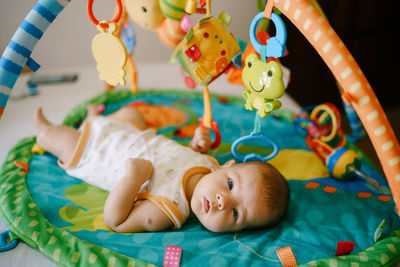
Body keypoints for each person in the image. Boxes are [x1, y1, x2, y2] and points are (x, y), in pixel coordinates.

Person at [34, 104, 289, 233]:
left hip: (93, 152)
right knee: (133, 114)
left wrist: (133, 179)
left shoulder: (168, 210)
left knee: (54, 136)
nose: (224, 201)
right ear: (224, 166)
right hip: (129, 132)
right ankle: (93, 117)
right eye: (231, 185)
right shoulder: (207, 163)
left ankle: (45, 130)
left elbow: (116, 221)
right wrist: (195, 144)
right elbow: (177, 157)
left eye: (235, 215)